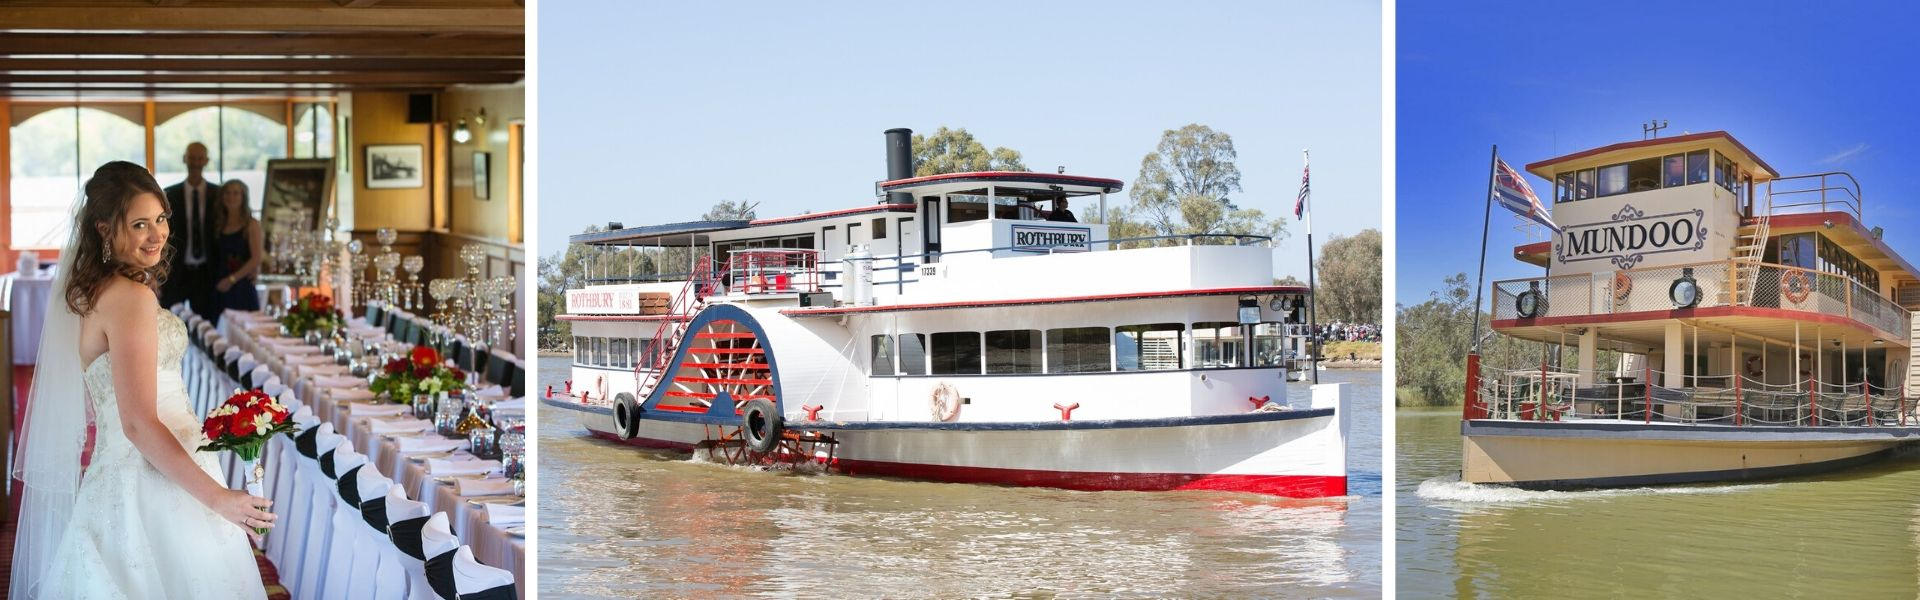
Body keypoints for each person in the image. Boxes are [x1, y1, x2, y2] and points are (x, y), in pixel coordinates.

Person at [11, 161, 272, 599]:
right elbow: (137, 423)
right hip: (154, 484)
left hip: (132, 475)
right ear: (104, 230)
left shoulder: (93, 291)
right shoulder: (129, 297)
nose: (157, 235)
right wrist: (217, 498)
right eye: (139, 224)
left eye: (161, 219)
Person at [160, 142, 221, 322]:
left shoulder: (218, 194)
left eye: (200, 158)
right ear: (184, 159)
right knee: (167, 324)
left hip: (206, 273)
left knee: (207, 329)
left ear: (206, 161)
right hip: (176, 271)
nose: (195, 162)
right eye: (192, 157)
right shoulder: (169, 194)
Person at [214, 179, 264, 312]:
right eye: (228, 193)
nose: (231, 197)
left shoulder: (251, 224)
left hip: (241, 285)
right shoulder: (219, 223)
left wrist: (231, 280)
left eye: (236, 193)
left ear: (243, 197)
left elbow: (256, 258)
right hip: (219, 283)